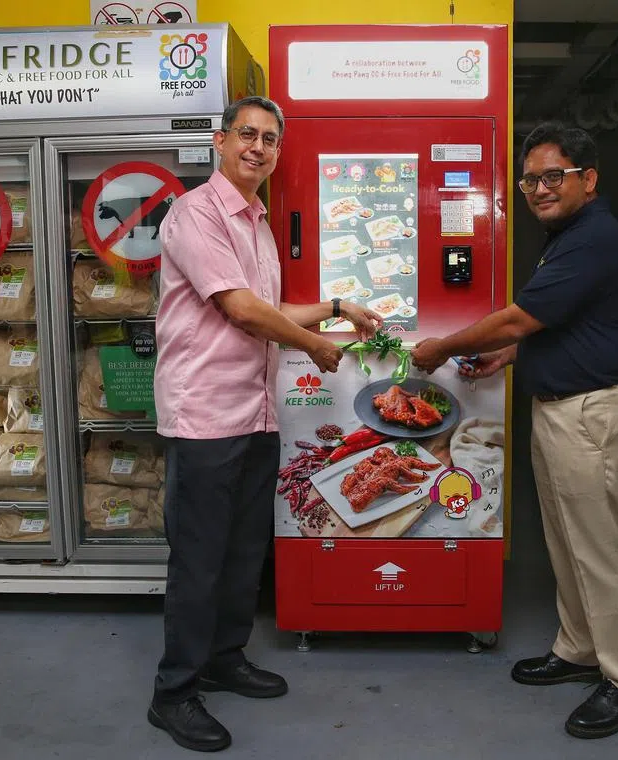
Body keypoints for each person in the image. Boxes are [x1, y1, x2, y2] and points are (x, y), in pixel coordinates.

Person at [149, 95, 381, 753]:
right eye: (247, 134)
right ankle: (174, 693)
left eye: (270, 139)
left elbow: (271, 306)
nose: (259, 146)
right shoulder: (195, 214)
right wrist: (313, 346)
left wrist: (338, 306)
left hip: (256, 410)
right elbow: (243, 310)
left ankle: (224, 658)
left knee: (246, 547)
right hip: (206, 415)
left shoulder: (256, 221)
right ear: (219, 143)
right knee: (199, 559)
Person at [412, 121, 618, 740]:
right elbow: (564, 326)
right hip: (560, 408)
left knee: (602, 550)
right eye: (530, 180)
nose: (539, 189)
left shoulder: (592, 236)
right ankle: (576, 650)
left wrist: (443, 347)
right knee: (566, 541)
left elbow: (520, 316)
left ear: (587, 180)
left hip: (592, 413)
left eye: (553, 177)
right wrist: (509, 357)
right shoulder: (567, 236)